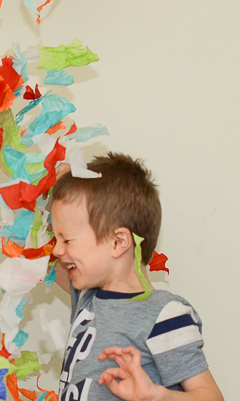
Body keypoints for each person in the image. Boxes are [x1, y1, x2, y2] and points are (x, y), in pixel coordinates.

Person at [50, 153, 224, 401]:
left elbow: (211, 397)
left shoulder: (164, 314)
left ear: (118, 242)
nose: (57, 250)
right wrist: (46, 188)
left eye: (66, 240)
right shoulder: (87, 299)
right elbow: (30, 255)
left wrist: (156, 396)